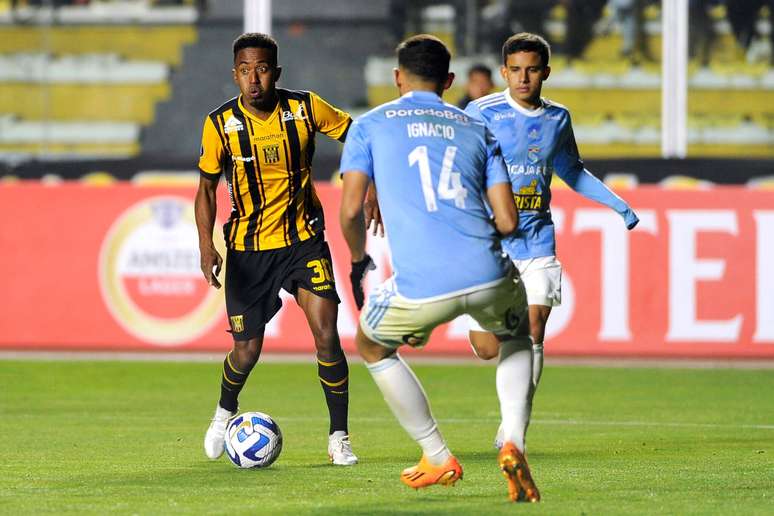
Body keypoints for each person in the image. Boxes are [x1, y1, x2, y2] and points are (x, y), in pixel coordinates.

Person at [339, 34, 540, 503]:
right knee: (514, 336)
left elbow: (351, 211)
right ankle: (514, 439)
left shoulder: (371, 125)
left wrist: (357, 257)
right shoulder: (477, 128)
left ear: (397, 78)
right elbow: (508, 220)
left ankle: (436, 454)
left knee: (371, 344)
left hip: (420, 286)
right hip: (490, 270)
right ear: (449, 81)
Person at [464, 33, 639, 446]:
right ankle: (512, 408)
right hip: (491, 243)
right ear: (504, 72)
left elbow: (572, 171)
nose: (524, 78)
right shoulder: (480, 112)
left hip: (537, 240)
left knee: (534, 328)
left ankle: (514, 427)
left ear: (546, 72)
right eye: (516, 70)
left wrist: (618, 205)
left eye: (532, 70)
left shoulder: (558, 118)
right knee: (488, 347)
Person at [195, 32, 358, 466]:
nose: (254, 79)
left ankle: (338, 436)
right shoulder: (220, 124)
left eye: (262, 69)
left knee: (327, 336)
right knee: (246, 351)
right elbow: (206, 189)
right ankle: (223, 411)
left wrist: (365, 180)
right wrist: (206, 246)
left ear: (276, 72)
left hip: (303, 243)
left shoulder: (304, 108)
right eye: (245, 70)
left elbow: (358, 138)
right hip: (248, 252)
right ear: (235, 74)